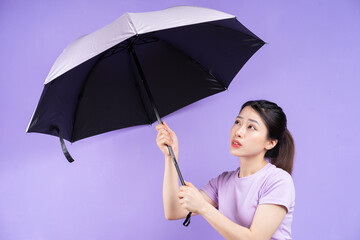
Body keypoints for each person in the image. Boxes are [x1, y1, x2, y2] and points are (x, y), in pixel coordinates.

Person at [156, 100, 295, 240]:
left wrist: (203, 207)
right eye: (237, 122)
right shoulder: (222, 182)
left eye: (251, 127)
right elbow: (173, 211)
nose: (239, 132)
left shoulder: (278, 181)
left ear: (270, 143)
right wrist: (170, 156)